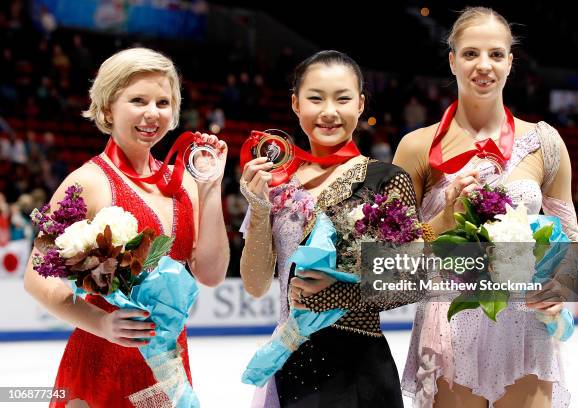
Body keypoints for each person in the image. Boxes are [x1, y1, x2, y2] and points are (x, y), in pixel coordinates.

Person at [393, 7, 578, 408]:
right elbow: (388, 254)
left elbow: (569, 238)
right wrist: (443, 221)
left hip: (526, 326)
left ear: (511, 63)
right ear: (452, 60)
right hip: (450, 326)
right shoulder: (417, 146)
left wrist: (559, 289)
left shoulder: (545, 142)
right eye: (471, 53)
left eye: (496, 54)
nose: (484, 65)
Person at [23, 47, 230, 407]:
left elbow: (211, 274)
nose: (153, 113)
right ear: (107, 108)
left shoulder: (185, 184)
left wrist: (211, 189)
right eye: (138, 100)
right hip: (101, 363)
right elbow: (35, 277)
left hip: (168, 370)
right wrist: (101, 324)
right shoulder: (86, 182)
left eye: (163, 102)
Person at [239, 50, 429, 407]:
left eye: (342, 98)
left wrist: (339, 288)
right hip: (290, 361)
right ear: (295, 104)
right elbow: (255, 283)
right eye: (315, 98)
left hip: (360, 366)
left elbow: (413, 278)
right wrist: (259, 205)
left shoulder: (386, 179)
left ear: (360, 104)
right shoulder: (276, 182)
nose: (329, 111)